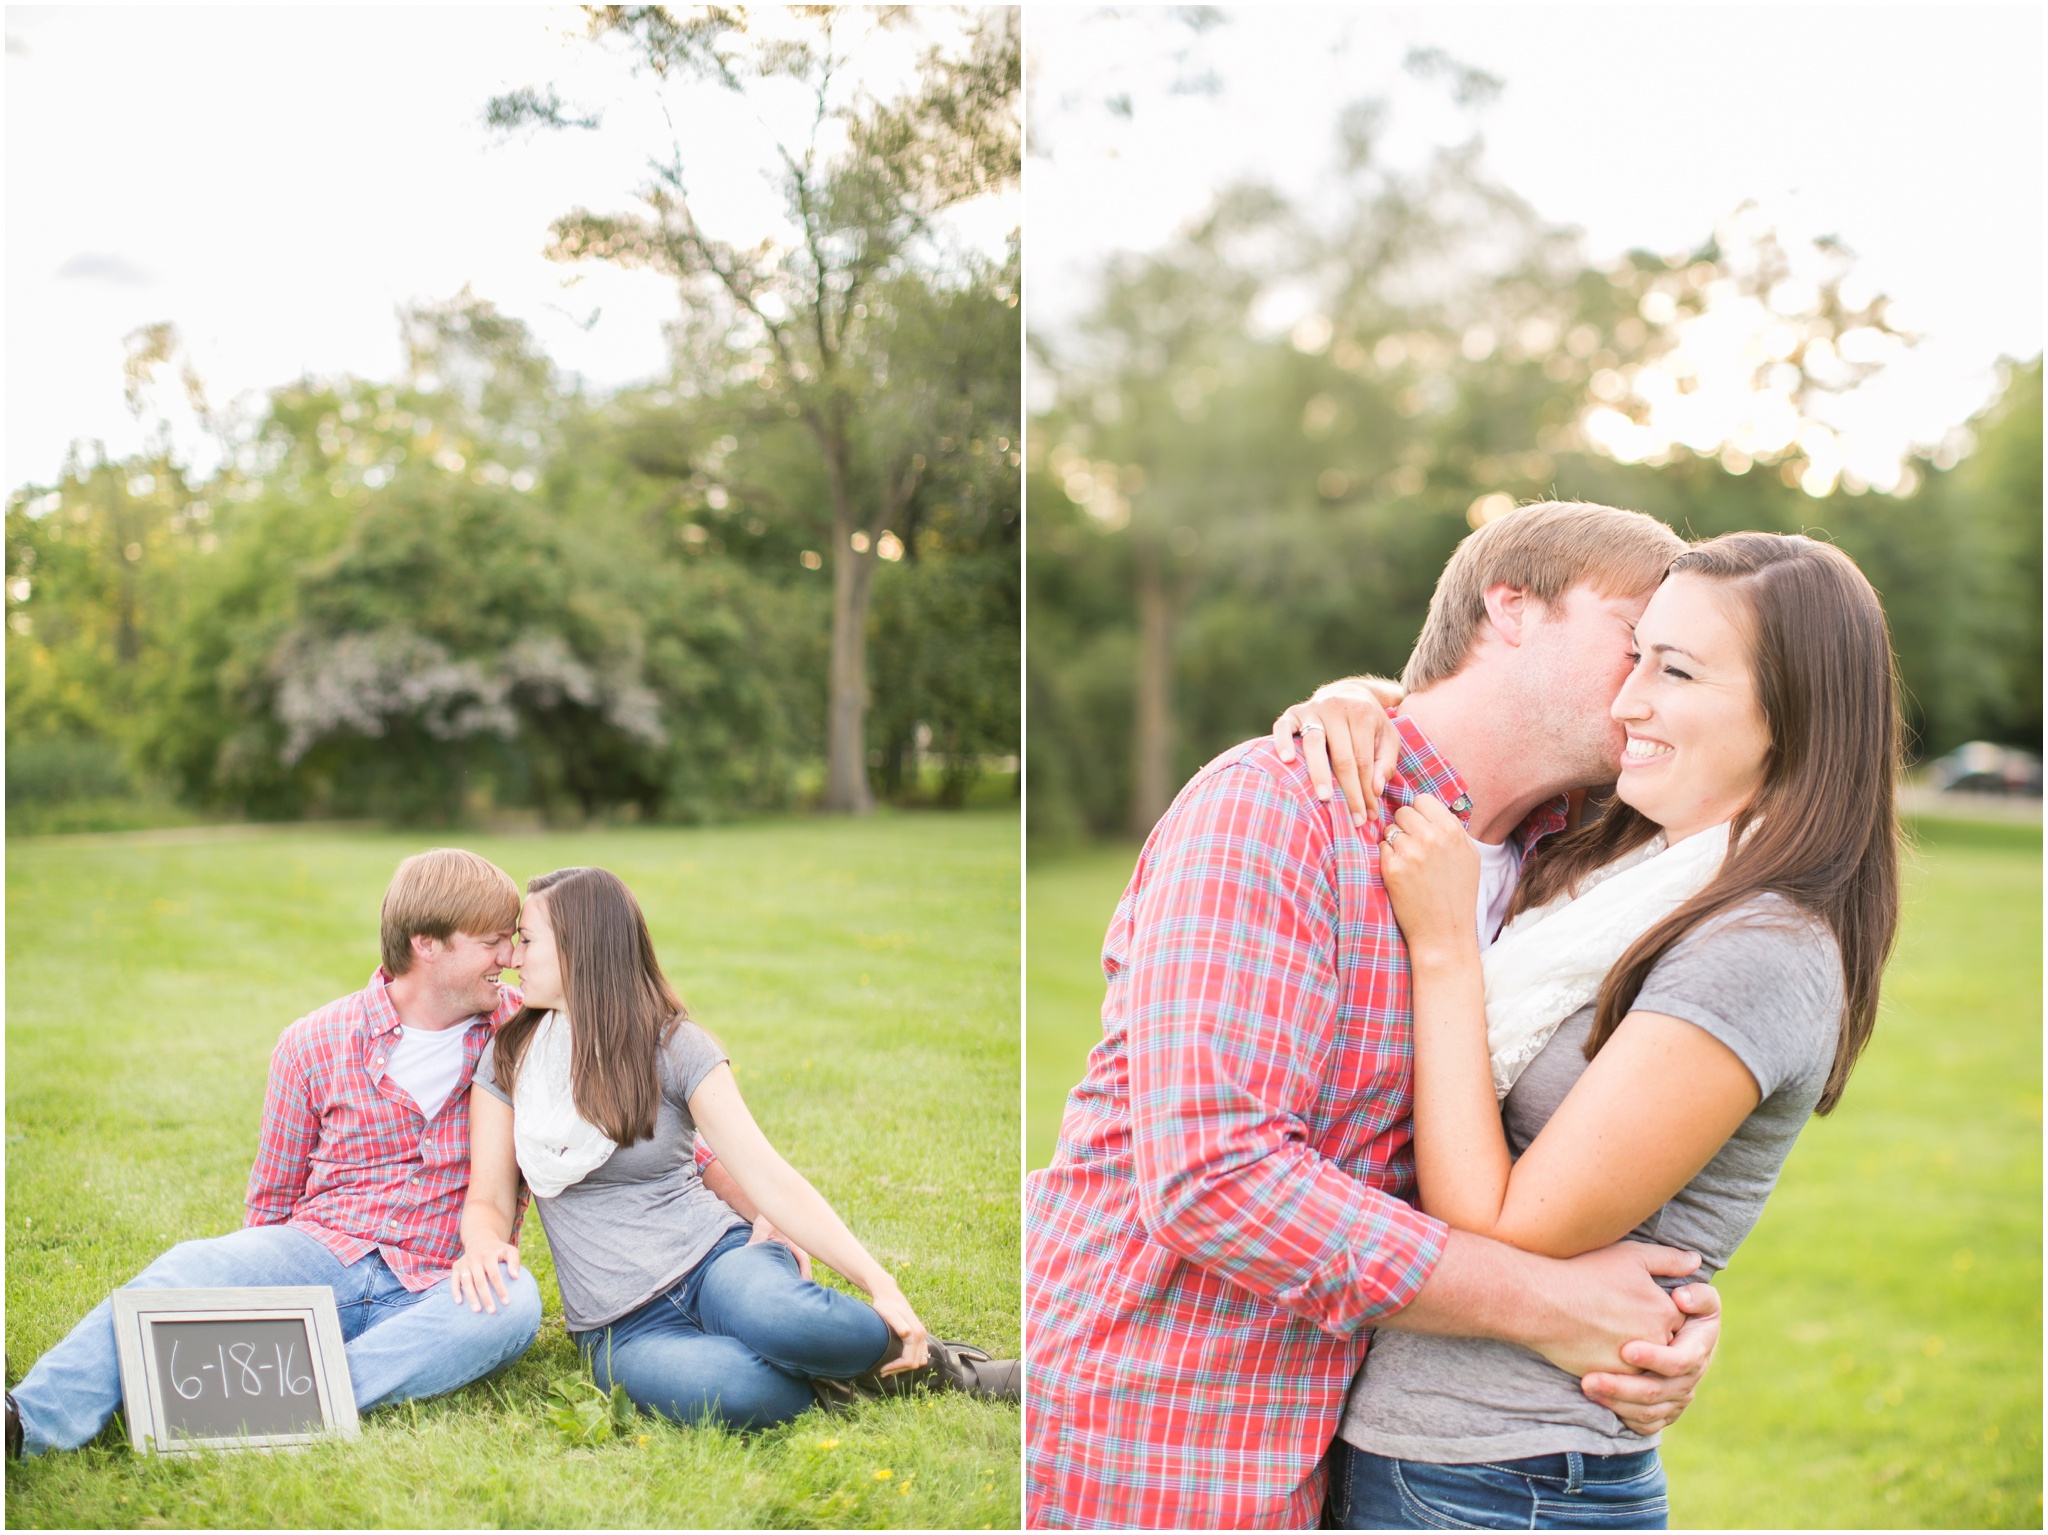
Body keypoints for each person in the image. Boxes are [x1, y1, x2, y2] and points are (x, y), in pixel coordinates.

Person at [1024, 502, 1725, 1531]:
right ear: (1510, 606)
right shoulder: (1278, 805)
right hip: (1157, 1431)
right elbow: (1214, 1175)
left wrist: (1660, 1320)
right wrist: (1550, 1307)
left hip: (1358, 1452)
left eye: (1674, 663)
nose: (1644, 687)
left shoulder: (1570, 869)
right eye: (1635, 640)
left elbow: (1559, 1146)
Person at [1289, 532, 1897, 1529]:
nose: (1626, 699)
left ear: (1792, 713)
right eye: (1634, 655)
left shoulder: (1758, 943)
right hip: (1448, 1462)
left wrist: (1442, 948)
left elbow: (1500, 1219)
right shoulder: (1622, 859)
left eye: (1675, 669)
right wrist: (1358, 701)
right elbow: (1483, 717)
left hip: (1506, 1478)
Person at [6, 849, 546, 1458]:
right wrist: (248, 1299)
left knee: (514, 1302)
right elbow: (273, 1195)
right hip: (323, 1251)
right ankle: (28, 1418)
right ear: (427, 944)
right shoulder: (312, 1041)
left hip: (441, 1275)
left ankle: (282, 1399)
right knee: (192, 1268)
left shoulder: (525, 1031)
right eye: (492, 942)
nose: (510, 957)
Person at [450, 865, 1018, 1431]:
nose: (513, 958)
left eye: (527, 940)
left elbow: (768, 1175)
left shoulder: (674, 1046)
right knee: (752, 1392)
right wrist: (480, 1244)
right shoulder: (509, 1061)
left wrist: (879, 1282)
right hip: (621, 1324)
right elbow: (491, 1200)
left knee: (793, 1321)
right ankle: (835, 1372)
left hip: (718, 1261)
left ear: (581, 948)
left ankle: (947, 1368)